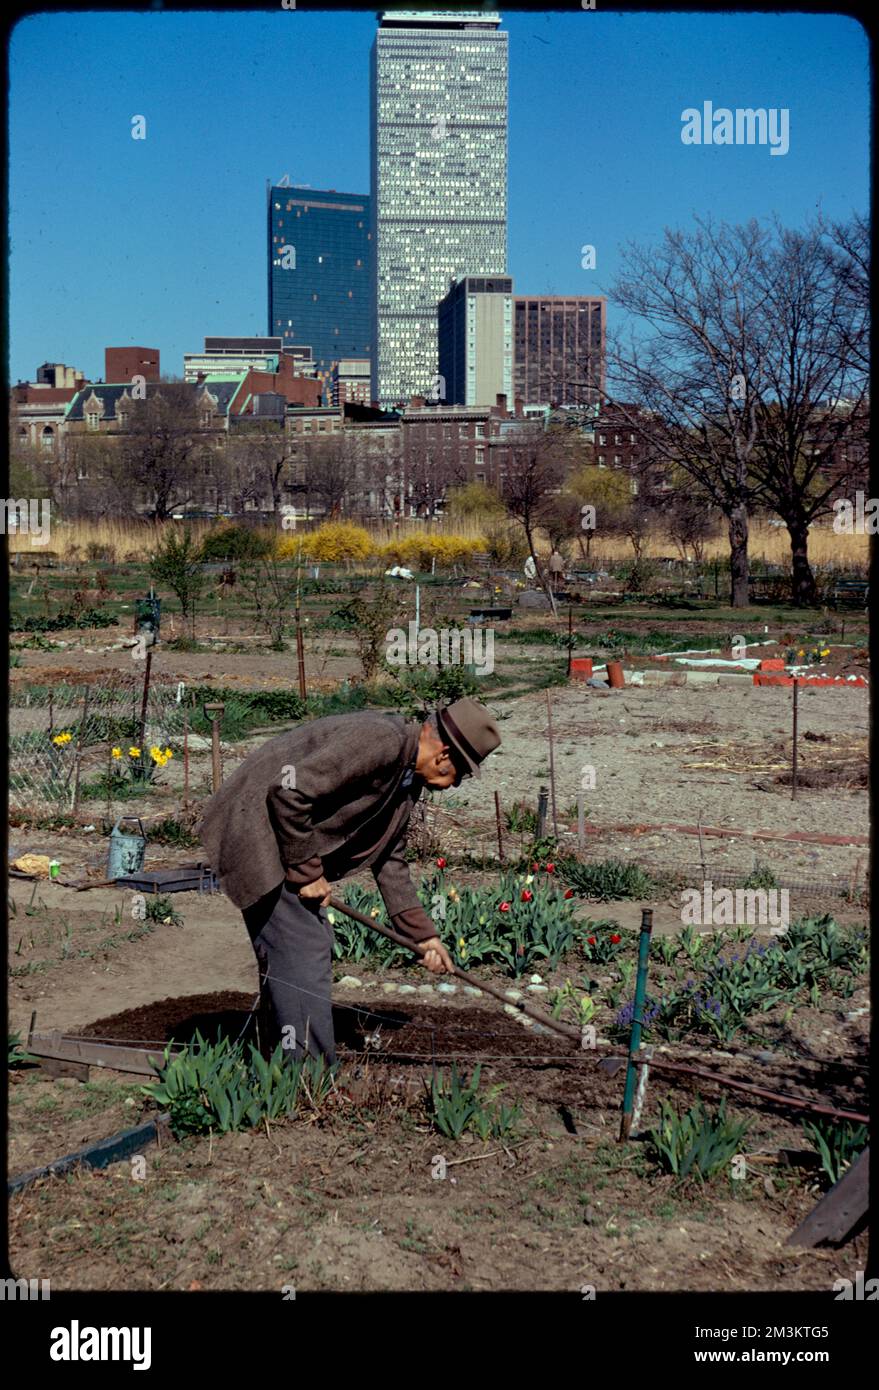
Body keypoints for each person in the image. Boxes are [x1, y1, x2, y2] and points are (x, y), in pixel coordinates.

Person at [198, 698, 501, 1066]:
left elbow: (390, 859)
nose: (455, 785)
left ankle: (278, 1055)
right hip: (255, 830)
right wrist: (308, 872)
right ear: (443, 756)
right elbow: (288, 791)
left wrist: (422, 936)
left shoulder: (404, 780)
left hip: (280, 840)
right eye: (462, 773)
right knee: (303, 945)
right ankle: (308, 1077)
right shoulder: (381, 741)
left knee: (304, 943)